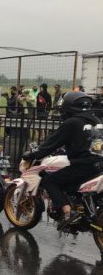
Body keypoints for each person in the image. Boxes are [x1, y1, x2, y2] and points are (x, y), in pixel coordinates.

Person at [22, 91, 103, 229]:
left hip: (84, 165)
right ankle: (78, 206)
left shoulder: (72, 123)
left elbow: (52, 143)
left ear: (70, 107)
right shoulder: (97, 120)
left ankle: (68, 212)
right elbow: (86, 141)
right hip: (99, 163)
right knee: (69, 183)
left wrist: (33, 154)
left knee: (50, 181)